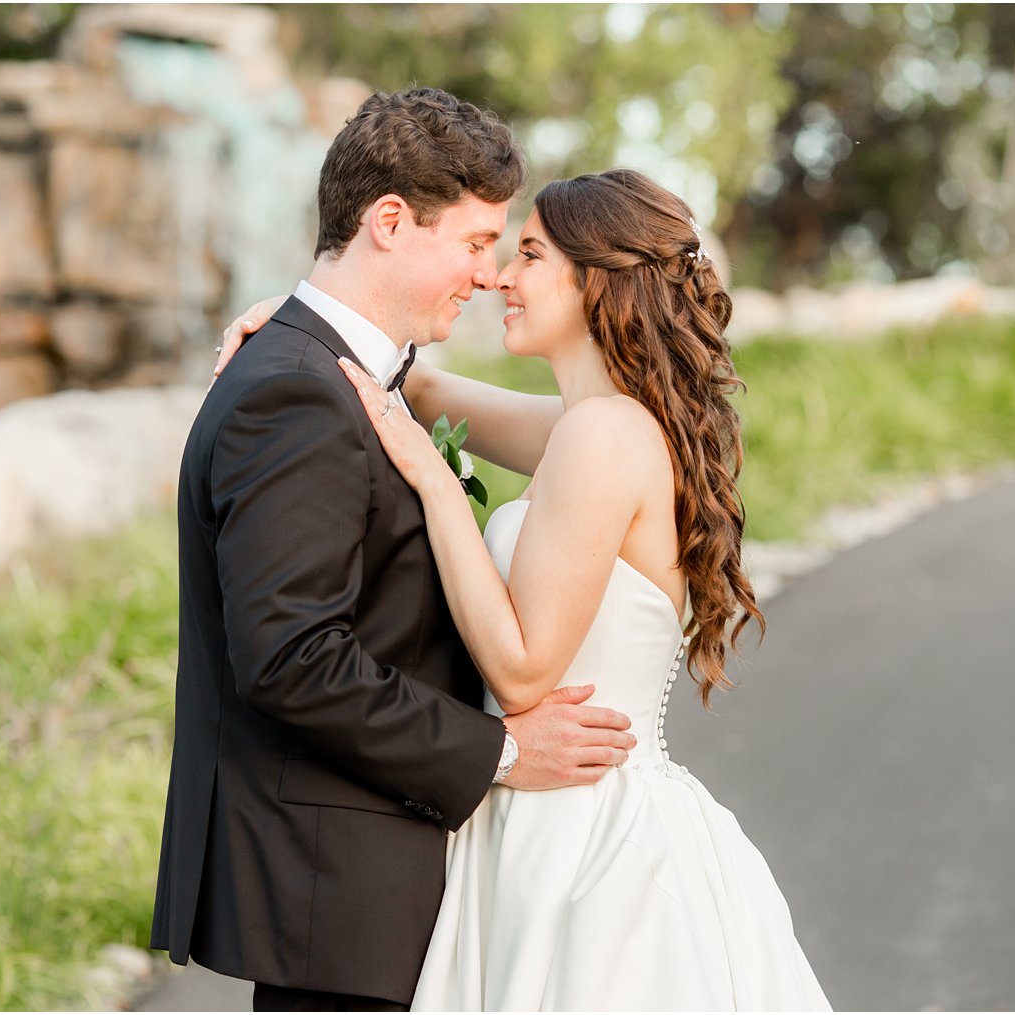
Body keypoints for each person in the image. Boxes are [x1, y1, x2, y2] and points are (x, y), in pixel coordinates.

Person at [220, 169, 832, 1010]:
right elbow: (415, 385)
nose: (500, 277)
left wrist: (439, 486)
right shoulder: (595, 423)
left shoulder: (604, 437)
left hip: (580, 835)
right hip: (549, 806)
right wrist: (299, 325)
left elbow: (521, 672)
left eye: (530, 255)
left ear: (598, 281)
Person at [150, 88, 638, 1013]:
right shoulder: (293, 392)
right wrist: (499, 750)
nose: (488, 273)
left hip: (375, 892)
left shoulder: (343, 376)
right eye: (473, 242)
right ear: (388, 222)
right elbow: (293, 657)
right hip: (336, 899)